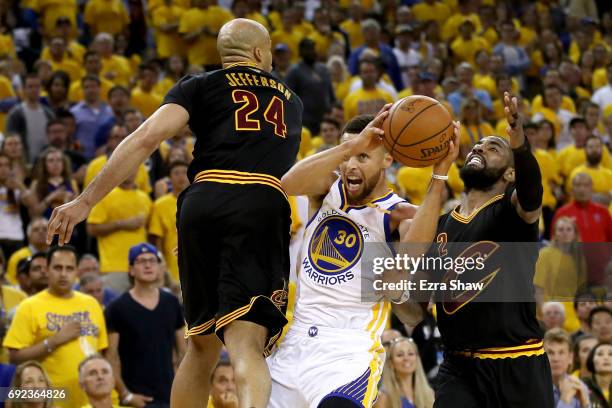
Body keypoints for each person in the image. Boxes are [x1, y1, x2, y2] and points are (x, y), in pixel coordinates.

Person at [47, 18, 303, 408]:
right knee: (245, 340)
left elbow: (146, 138)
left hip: (201, 202)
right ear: (258, 52)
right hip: (259, 198)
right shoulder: (291, 101)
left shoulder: (200, 84)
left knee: (199, 343)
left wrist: (85, 200)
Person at [267, 111, 459, 407]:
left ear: (387, 161)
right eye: (348, 157)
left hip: (349, 350)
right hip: (296, 340)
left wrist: (438, 177)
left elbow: (413, 251)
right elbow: (288, 184)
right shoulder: (326, 190)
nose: (351, 166)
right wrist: (350, 147)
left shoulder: (399, 214)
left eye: (363, 157)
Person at [393, 92, 554, 407]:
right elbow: (414, 312)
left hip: (516, 361)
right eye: (477, 145)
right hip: (458, 368)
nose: (480, 147)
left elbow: (533, 190)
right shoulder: (436, 227)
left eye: (494, 147)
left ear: (510, 173)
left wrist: (519, 143)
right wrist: (395, 292)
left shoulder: (510, 212)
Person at [3, 245, 108, 408]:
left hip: (90, 401)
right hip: (54, 400)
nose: (64, 274)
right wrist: (54, 341)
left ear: (77, 272)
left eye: (69, 268)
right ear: (47, 269)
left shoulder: (92, 304)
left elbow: (102, 354)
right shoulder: (29, 306)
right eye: (58, 268)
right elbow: (14, 357)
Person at [105, 243, 185, 407]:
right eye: (141, 261)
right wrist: (126, 395)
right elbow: (111, 358)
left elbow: (183, 351)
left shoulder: (171, 302)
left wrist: (181, 387)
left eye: (152, 260)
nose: (148, 265)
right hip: (136, 397)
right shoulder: (117, 307)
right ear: (131, 269)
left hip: (170, 395)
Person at [375, 337, 435, 408]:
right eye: (400, 355)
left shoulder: (429, 394)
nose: (406, 358)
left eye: (410, 354)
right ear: (391, 362)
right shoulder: (383, 397)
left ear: (417, 359)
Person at [543, 328, 590, 408]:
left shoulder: (579, 386)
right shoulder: (533, 388)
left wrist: (585, 404)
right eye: (550, 353)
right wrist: (565, 400)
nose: (556, 359)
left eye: (561, 353)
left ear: (570, 358)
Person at [582, 342, 612, 408]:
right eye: (600, 354)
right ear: (592, 360)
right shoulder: (581, 386)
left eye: (610, 354)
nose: (606, 358)